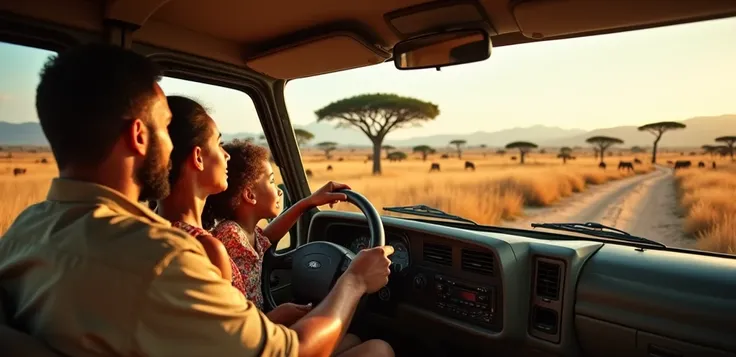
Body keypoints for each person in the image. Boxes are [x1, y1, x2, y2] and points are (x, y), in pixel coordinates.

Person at [0, 43, 394, 357]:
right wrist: (354, 280)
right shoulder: (160, 257)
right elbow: (294, 351)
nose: (170, 146)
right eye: (165, 128)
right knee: (378, 349)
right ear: (139, 136)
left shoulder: (25, 229)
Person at [204, 140, 390, 356]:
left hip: (260, 334)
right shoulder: (230, 237)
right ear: (250, 195)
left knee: (352, 339)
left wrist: (306, 204)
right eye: (272, 182)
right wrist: (276, 316)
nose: (278, 190)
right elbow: (234, 327)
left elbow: (266, 238)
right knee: (379, 350)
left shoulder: (245, 234)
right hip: (253, 342)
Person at [155, 95, 245, 294]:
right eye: (219, 144)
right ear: (198, 157)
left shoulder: (147, 231)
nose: (226, 155)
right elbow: (227, 325)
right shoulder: (207, 249)